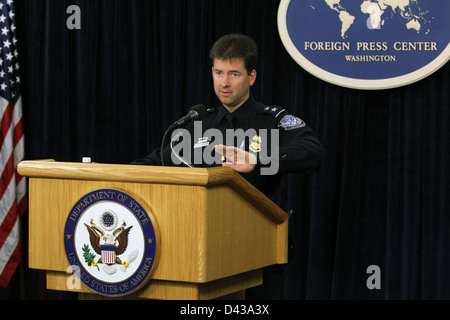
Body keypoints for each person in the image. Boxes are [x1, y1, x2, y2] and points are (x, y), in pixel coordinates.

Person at [132, 34, 323, 299]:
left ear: (252, 77)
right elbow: (151, 164)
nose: (224, 83)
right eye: (219, 72)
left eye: (234, 74)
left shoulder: (272, 121)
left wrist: (259, 159)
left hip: (258, 254)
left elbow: (313, 152)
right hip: (202, 255)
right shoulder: (198, 124)